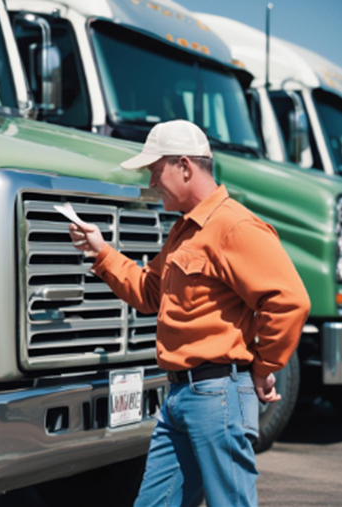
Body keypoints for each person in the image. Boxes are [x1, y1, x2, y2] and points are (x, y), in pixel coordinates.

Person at [68, 120, 310, 507]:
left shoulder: (235, 227)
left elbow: (289, 300)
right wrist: (100, 252)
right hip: (181, 396)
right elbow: (149, 292)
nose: (151, 182)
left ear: (184, 166)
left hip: (218, 397)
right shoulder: (184, 231)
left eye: (155, 170)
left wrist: (263, 368)